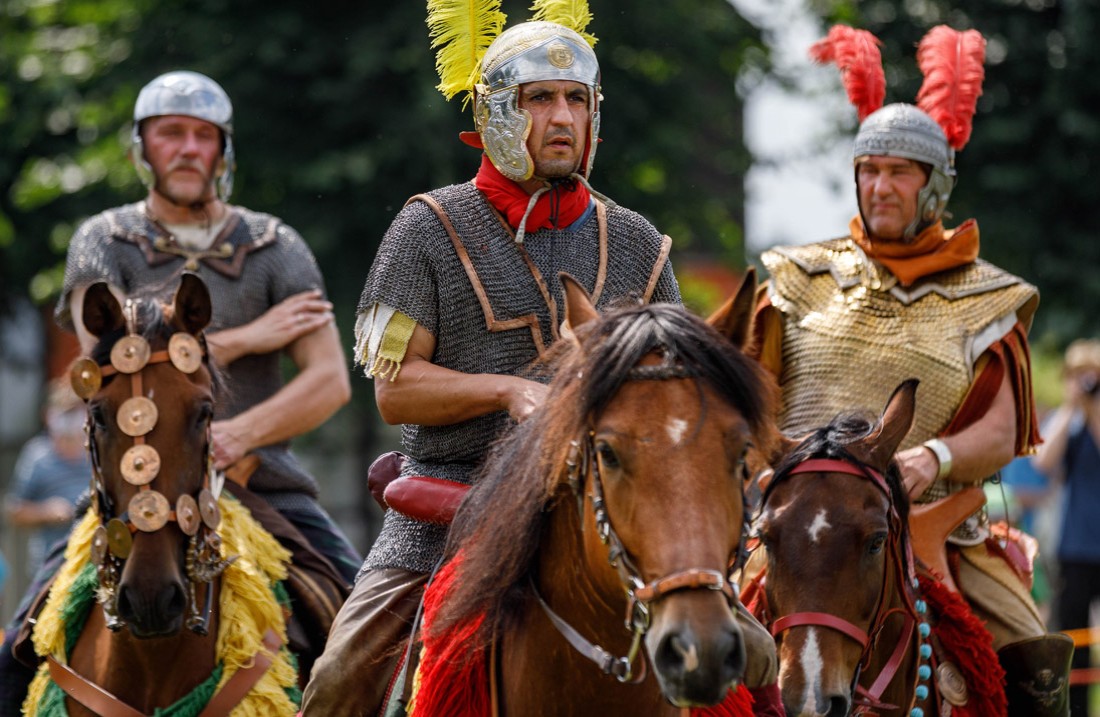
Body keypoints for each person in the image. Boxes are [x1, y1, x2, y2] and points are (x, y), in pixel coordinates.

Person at [302, 13, 780, 717]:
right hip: (452, 509)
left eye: (576, 99)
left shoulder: (638, 243)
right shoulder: (427, 227)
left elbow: (687, 395)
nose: (561, 117)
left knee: (759, 673)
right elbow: (395, 391)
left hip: (612, 509)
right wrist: (508, 391)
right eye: (538, 99)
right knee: (338, 679)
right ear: (496, 113)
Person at [0, 70, 361, 710]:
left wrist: (235, 435)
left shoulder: (275, 246)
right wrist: (248, 337)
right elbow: (101, 361)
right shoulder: (103, 242)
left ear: (223, 150)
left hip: (262, 482)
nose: (189, 148)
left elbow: (330, 381)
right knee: (19, 648)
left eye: (203, 135)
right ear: (142, 147)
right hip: (131, 491)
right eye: (171, 133)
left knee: (367, 631)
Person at [751, 24, 1072, 715]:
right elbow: (750, 395)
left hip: (934, 523)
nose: (880, 186)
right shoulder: (796, 278)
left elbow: (1003, 430)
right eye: (869, 171)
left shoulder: (991, 298)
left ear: (935, 185)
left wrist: (935, 456)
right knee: (687, 634)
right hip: (801, 519)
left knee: (1031, 653)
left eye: (899, 172)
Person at [1031, 339, 1100, 716]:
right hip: (1075, 548)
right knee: (1074, 640)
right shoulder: (1067, 422)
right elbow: (1043, 462)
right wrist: (1073, 406)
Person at [4, 379, 91, 576]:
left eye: (74, 412)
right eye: (64, 413)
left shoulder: (98, 453)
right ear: (48, 416)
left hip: (93, 564)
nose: (69, 420)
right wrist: (46, 512)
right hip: (50, 567)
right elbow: (14, 510)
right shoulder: (37, 455)